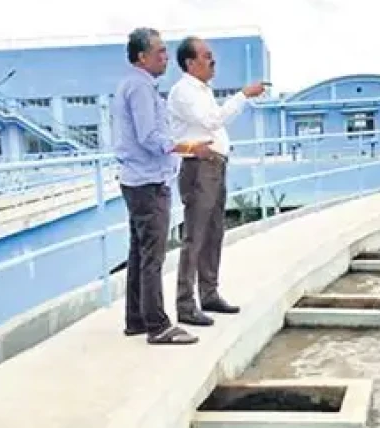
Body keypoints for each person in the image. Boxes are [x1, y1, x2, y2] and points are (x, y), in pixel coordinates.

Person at [111, 28, 214, 345]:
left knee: (139, 254)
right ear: (142, 56)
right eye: (160, 52)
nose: (166, 58)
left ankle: (137, 319)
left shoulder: (133, 85)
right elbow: (149, 137)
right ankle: (158, 326)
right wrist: (189, 148)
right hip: (147, 181)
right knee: (152, 257)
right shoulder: (140, 87)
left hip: (138, 180)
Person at [167, 36, 266, 326]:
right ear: (190, 62)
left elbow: (213, 122)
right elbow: (211, 120)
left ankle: (209, 294)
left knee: (213, 233)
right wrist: (243, 95)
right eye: (206, 56)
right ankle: (186, 304)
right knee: (195, 235)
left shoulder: (202, 90)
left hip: (214, 165)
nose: (212, 61)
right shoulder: (184, 91)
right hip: (198, 166)